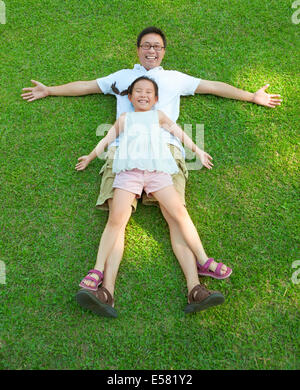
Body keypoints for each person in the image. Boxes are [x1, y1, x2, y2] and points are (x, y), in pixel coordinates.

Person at [21, 26, 282, 315]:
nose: (152, 51)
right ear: (137, 49)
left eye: (157, 47)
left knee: (176, 214)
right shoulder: (121, 77)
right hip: (124, 154)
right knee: (117, 218)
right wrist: (50, 91)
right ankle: (105, 291)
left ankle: (196, 288)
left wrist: (250, 96)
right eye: (147, 45)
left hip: (165, 153)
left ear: (164, 52)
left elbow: (213, 86)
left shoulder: (174, 79)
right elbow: (87, 85)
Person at [75, 76, 232, 317]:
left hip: (158, 172)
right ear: (129, 97)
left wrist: (198, 151)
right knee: (116, 221)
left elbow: (179, 134)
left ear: (156, 99)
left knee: (179, 212)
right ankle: (97, 271)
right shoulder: (125, 118)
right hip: (129, 172)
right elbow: (106, 140)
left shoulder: (158, 116)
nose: (143, 95)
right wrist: (89, 156)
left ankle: (203, 260)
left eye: (149, 92)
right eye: (138, 91)